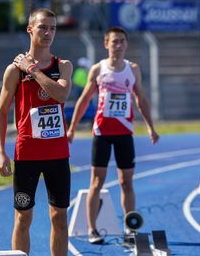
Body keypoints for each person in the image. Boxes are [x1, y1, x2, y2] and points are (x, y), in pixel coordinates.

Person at [0, 8, 81, 256]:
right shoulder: (13, 71)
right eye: (43, 27)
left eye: (53, 28)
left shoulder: (63, 66)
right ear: (30, 30)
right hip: (27, 154)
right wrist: (0, 152)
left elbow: (60, 95)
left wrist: (33, 70)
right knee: (23, 218)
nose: (48, 33)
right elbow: (1, 113)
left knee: (59, 217)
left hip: (57, 154)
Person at [67, 26, 159, 244]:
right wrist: (72, 127)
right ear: (106, 44)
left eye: (122, 41)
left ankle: (130, 229)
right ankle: (92, 229)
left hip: (124, 133)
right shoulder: (98, 69)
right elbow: (84, 100)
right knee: (96, 182)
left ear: (126, 45)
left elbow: (141, 100)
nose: (119, 45)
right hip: (102, 132)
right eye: (115, 41)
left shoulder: (133, 69)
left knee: (126, 182)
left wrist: (150, 126)